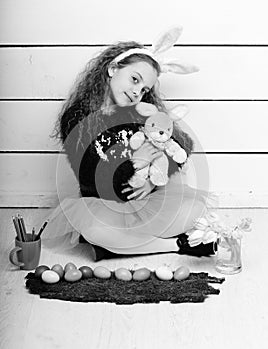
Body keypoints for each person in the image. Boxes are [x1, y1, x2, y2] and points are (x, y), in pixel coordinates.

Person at [42, 34, 217, 261]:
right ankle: (175, 245)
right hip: (105, 204)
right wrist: (137, 162)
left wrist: (151, 180)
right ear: (113, 68)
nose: (137, 92)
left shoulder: (140, 111)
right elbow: (91, 173)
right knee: (94, 228)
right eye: (135, 80)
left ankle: (128, 245)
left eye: (144, 89)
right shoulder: (77, 116)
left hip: (146, 201)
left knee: (194, 208)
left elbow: (183, 144)